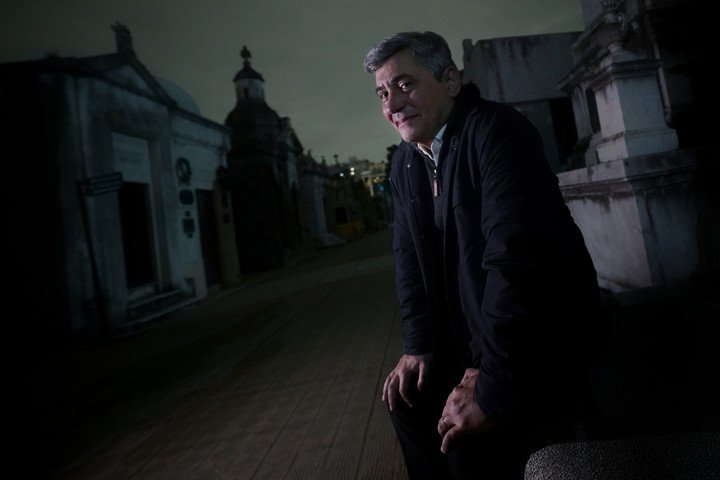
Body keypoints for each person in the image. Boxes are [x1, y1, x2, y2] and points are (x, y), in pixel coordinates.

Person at [363, 31, 606, 479]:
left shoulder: (497, 133)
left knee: (462, 442)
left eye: (405, 85)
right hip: (471, 336)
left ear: (450, 80)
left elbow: (514, 262)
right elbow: (407, 262)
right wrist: (418, 347)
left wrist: (489, 386)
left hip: (537, 334)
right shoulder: (405, 163)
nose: (392, 105)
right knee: (407, 399)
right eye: (383, 92)